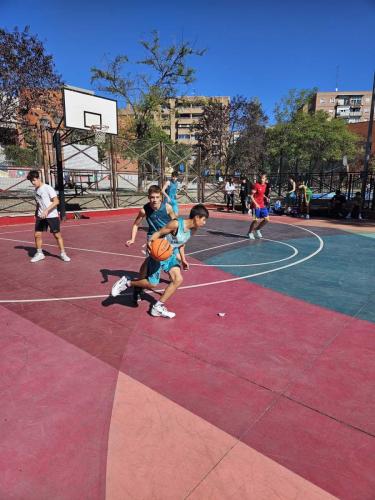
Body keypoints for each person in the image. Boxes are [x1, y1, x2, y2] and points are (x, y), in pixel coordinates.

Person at [111, 204, 209, 318]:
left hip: (170, 255)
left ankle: (157, 307)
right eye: (204, 220)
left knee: (178, 279)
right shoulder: (176, 224)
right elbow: (159, 233)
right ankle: (127, 282)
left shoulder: (193, 230)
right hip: (159, 254)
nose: (204, 223)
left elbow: (182, 244)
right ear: (197, 217)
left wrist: (183, 260)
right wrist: (150, 242)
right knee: (152, 284)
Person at [115, 184, 176, 305]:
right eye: (152, 197)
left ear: (160, 198)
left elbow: (174, 221)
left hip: (166, 240)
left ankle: (140, 286)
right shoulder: (144, 210)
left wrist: (175, 232)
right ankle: (137, 288)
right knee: (151, 269)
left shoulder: (167, 208)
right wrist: (132, 239)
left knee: (163, 264)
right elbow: (136, 224)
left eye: (157, 197)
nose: (154, 200)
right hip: (153, 241)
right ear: (148, 197)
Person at [26, 170, 71, 263]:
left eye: (34, 180)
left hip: (51, 215)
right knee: (37, 234)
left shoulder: (47, 188)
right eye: (31, 181)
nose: (33, 183)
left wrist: (46, 210)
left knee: (57, 235)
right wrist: (36, 213)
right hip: (40, 216)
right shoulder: (36, 190)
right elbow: (39, 203)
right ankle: (39, 253)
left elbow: (56, 201)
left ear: (38, 178)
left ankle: (63, 253)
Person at [247, 173, 270, 239]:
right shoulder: (256, 185)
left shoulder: (265, 185)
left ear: (265, 179)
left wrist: (266, 197)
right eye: (261, 178)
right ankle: (250, 232)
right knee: (255, 220)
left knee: (267, 219)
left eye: (263, 178)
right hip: (255, 205)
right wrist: (256, 204)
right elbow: (251, 196)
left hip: (262, 205)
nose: (261, 179)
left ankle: (257, 229)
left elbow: (261, 194)